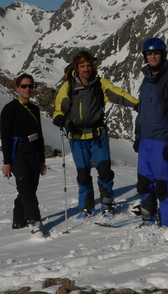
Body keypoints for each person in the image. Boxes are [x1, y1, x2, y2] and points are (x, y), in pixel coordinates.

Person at [52, 49, 139, 216]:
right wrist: (59, 118)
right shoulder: (69, 86)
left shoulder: (100, 84)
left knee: (105, 171)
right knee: (83, 174)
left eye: (88, 65)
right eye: (82, 66)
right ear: (76, 68)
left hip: (98, 136)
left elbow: (118, 94)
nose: (86, 69)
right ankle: (87, 207)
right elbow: (59, 107)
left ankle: (107, 203)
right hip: (77, 137)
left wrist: (135, 103)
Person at [134, 37, 168, 226]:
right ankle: (148, 218)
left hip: (161, 140)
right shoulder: (146, 80)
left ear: (163, 55)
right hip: (146, 140)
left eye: (156, 53)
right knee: (144, 183)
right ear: (145, 56)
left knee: (162, 185)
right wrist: (138, 136)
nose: (152, 56)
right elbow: (141, 111)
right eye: (149, 53)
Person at [0, 73, 47, 229]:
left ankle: (19, 221)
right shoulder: (9, 109)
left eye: (30, 86)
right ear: (17, 88)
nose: (27, 89)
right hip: (18, 153)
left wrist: (42, 160)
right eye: (24, 86)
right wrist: (7, 162)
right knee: (25, 187)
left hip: (33, 152)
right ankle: (35, 221)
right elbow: (5, 137)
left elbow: (40, 134)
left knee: (29, 188)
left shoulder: (34, 109)